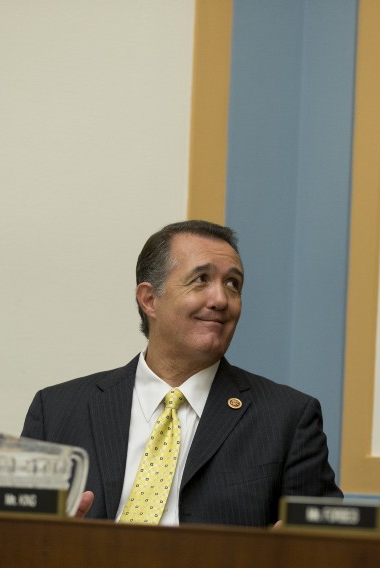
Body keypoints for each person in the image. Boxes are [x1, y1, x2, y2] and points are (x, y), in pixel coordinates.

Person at [21, 220, 342, 525]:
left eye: (233, 284)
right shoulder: (57, 410)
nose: (220, 299)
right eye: (201, 279)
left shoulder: (287, 417)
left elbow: (326, 542)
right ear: (149, 300)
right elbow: (12, 536)